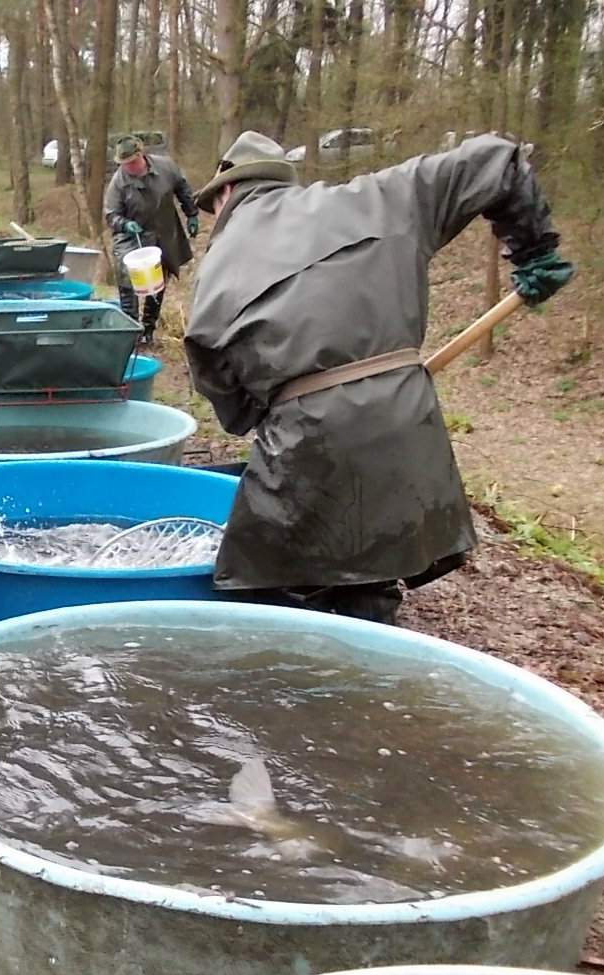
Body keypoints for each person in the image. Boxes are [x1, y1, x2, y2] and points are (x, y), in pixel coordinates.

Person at [185, 130, 574, 625]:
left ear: (227, 191)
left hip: (306, 432)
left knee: (262, 583)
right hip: (406, 419)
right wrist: (535, 250)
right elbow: (497, 160)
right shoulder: (380, 197)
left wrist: (249, 414)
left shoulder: (221, 261)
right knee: (370, 564)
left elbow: (213, 366)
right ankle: (372, 628)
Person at [103, 135, 197, 347]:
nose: (129, 167)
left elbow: (182, 188)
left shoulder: (166, 167)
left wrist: (191, 213)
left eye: (132, 162)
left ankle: (148, 329)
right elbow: (111, 214)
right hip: (130, 236)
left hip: (163, 231)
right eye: (124, 164)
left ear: (142, 155)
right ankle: (130, 331)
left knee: (157, 281)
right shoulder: (118, 183)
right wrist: (124, 223)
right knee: (128, 280)